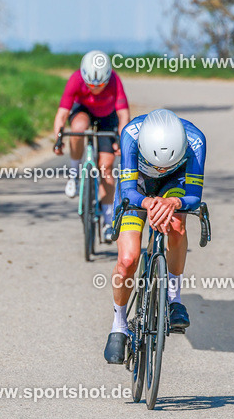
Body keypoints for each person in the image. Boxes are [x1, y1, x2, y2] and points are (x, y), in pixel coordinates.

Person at [103, 109, 206, 364]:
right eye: (156, 163)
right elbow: (128, 189)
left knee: (177, 227)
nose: (161, 168)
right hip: (138, 186)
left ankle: (174, 298)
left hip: (176, 183)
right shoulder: (130, 136)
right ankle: (119, 325)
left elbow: (194, 196)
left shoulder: (195, 141)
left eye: (167, 163)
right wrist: (150, 202)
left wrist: (172, 202)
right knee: (128, 260)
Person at [53, 50, 130, 242]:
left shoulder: (114, 80)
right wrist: (58, 139)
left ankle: (107, 220)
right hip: (84, 111)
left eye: (100, 85)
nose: (95, 89)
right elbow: (62, 114)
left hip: (107, 116)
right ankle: (74, 175)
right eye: (91, 85)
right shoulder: (76, 79)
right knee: (78, 127)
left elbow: (123, 116)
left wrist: (122, 139)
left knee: (106, 168)